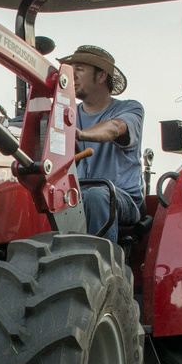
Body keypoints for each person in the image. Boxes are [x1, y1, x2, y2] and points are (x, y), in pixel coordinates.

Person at [61, 44, 144, 243]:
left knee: (96, 196)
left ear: (101, 76)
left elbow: (114, 128)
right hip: (76, 196)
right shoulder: (67, 113)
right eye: (70, 70)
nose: (73, 76)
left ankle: (101, 259)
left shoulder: (129, 109)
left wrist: (80, 134)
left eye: (80, 69)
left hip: (119, 198)